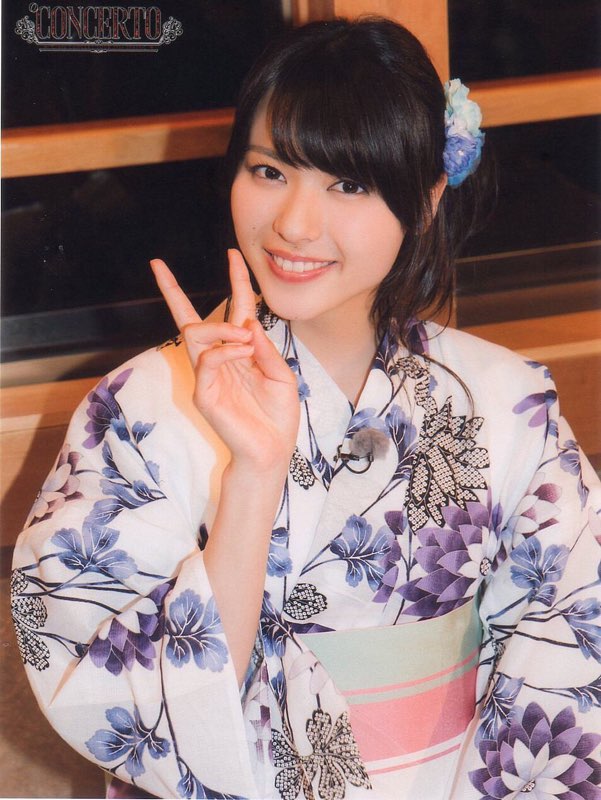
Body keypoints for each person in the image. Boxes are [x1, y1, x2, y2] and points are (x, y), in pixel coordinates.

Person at [11, 16, 601, 800]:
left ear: (426, 199)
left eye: (348, 184)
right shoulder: (138, 410)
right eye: (269, 170)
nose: (293, 223)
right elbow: (108, 690)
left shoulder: (504, 401)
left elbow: (575, 640)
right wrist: (254, 479)